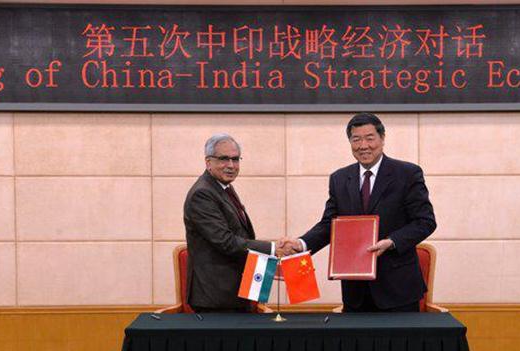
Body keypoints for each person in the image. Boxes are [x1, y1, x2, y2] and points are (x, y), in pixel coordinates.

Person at [282, 113, 436, 312]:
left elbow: (425, 222)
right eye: (356, 139)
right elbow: (330, 224)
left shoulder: (407, 174)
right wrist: (301, 243)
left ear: (382, 139)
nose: (363, 145)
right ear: (350, 143)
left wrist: (392, 242)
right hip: (355, 291)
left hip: (398, 290)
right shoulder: (339, 178)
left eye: (370, 138)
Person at [184, 134, 284, 312]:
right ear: (208, 162)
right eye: (224, 159)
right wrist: (273, 248)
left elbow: (241, 234)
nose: (231, 165)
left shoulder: (223, 187)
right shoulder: (203, 194)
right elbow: (226, 241)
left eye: (235, 159)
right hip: (215, 298)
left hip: (234, 293)